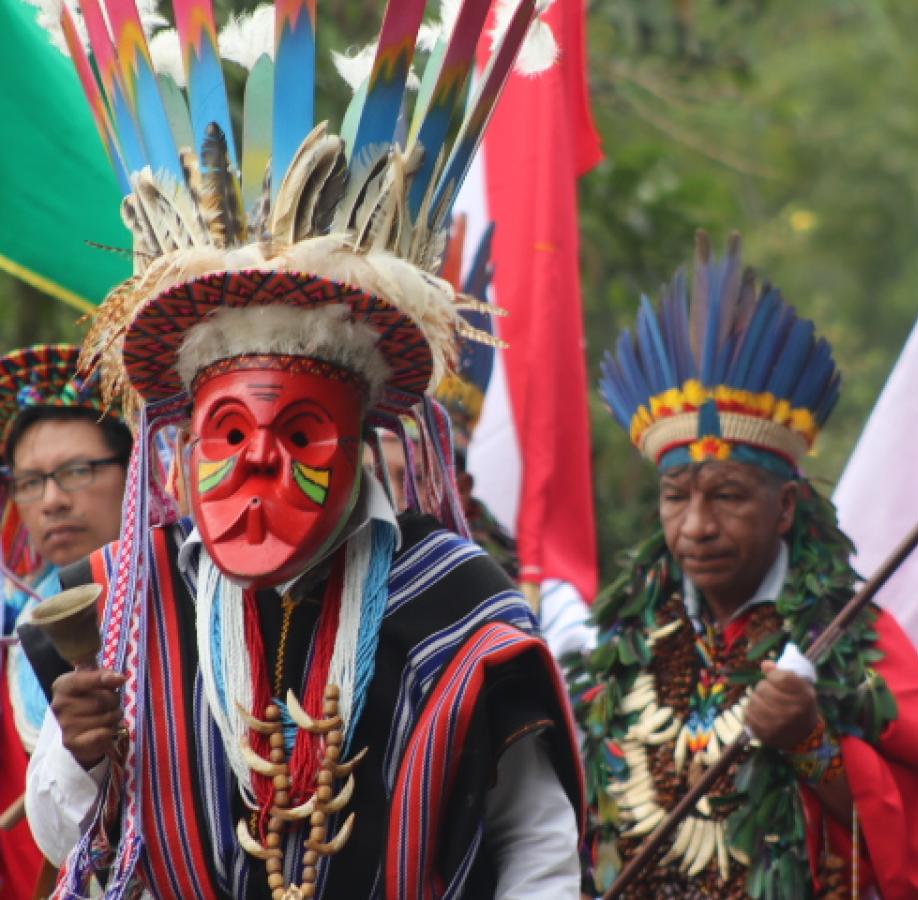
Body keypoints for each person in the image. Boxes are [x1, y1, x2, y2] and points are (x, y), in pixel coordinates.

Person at [23, 3, 582, 897]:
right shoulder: (131, 598)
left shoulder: (454, 604)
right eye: (228, 433)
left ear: (358, 441)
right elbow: (63, 837)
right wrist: (82, 751)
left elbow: (537, 847)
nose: (257, 463)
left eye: (298, 432)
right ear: (186, 440)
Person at [572, 233, 918, 898]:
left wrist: (813, 744)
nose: (697, 525)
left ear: (784, 507)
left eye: (727, 495)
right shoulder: (623, 646)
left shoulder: (861, 644)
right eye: (676, 497)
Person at [376, 217, 596, 663]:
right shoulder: (333, 589)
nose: (396, 501)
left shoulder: (548, 608)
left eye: (416, 479)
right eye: (377, 478)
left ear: (461, 490)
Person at [0, 344, 130, 900]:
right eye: (30, 481)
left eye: (76, 471)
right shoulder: (11, 632)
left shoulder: (186, 607)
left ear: (135, 469)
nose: (50, 501)